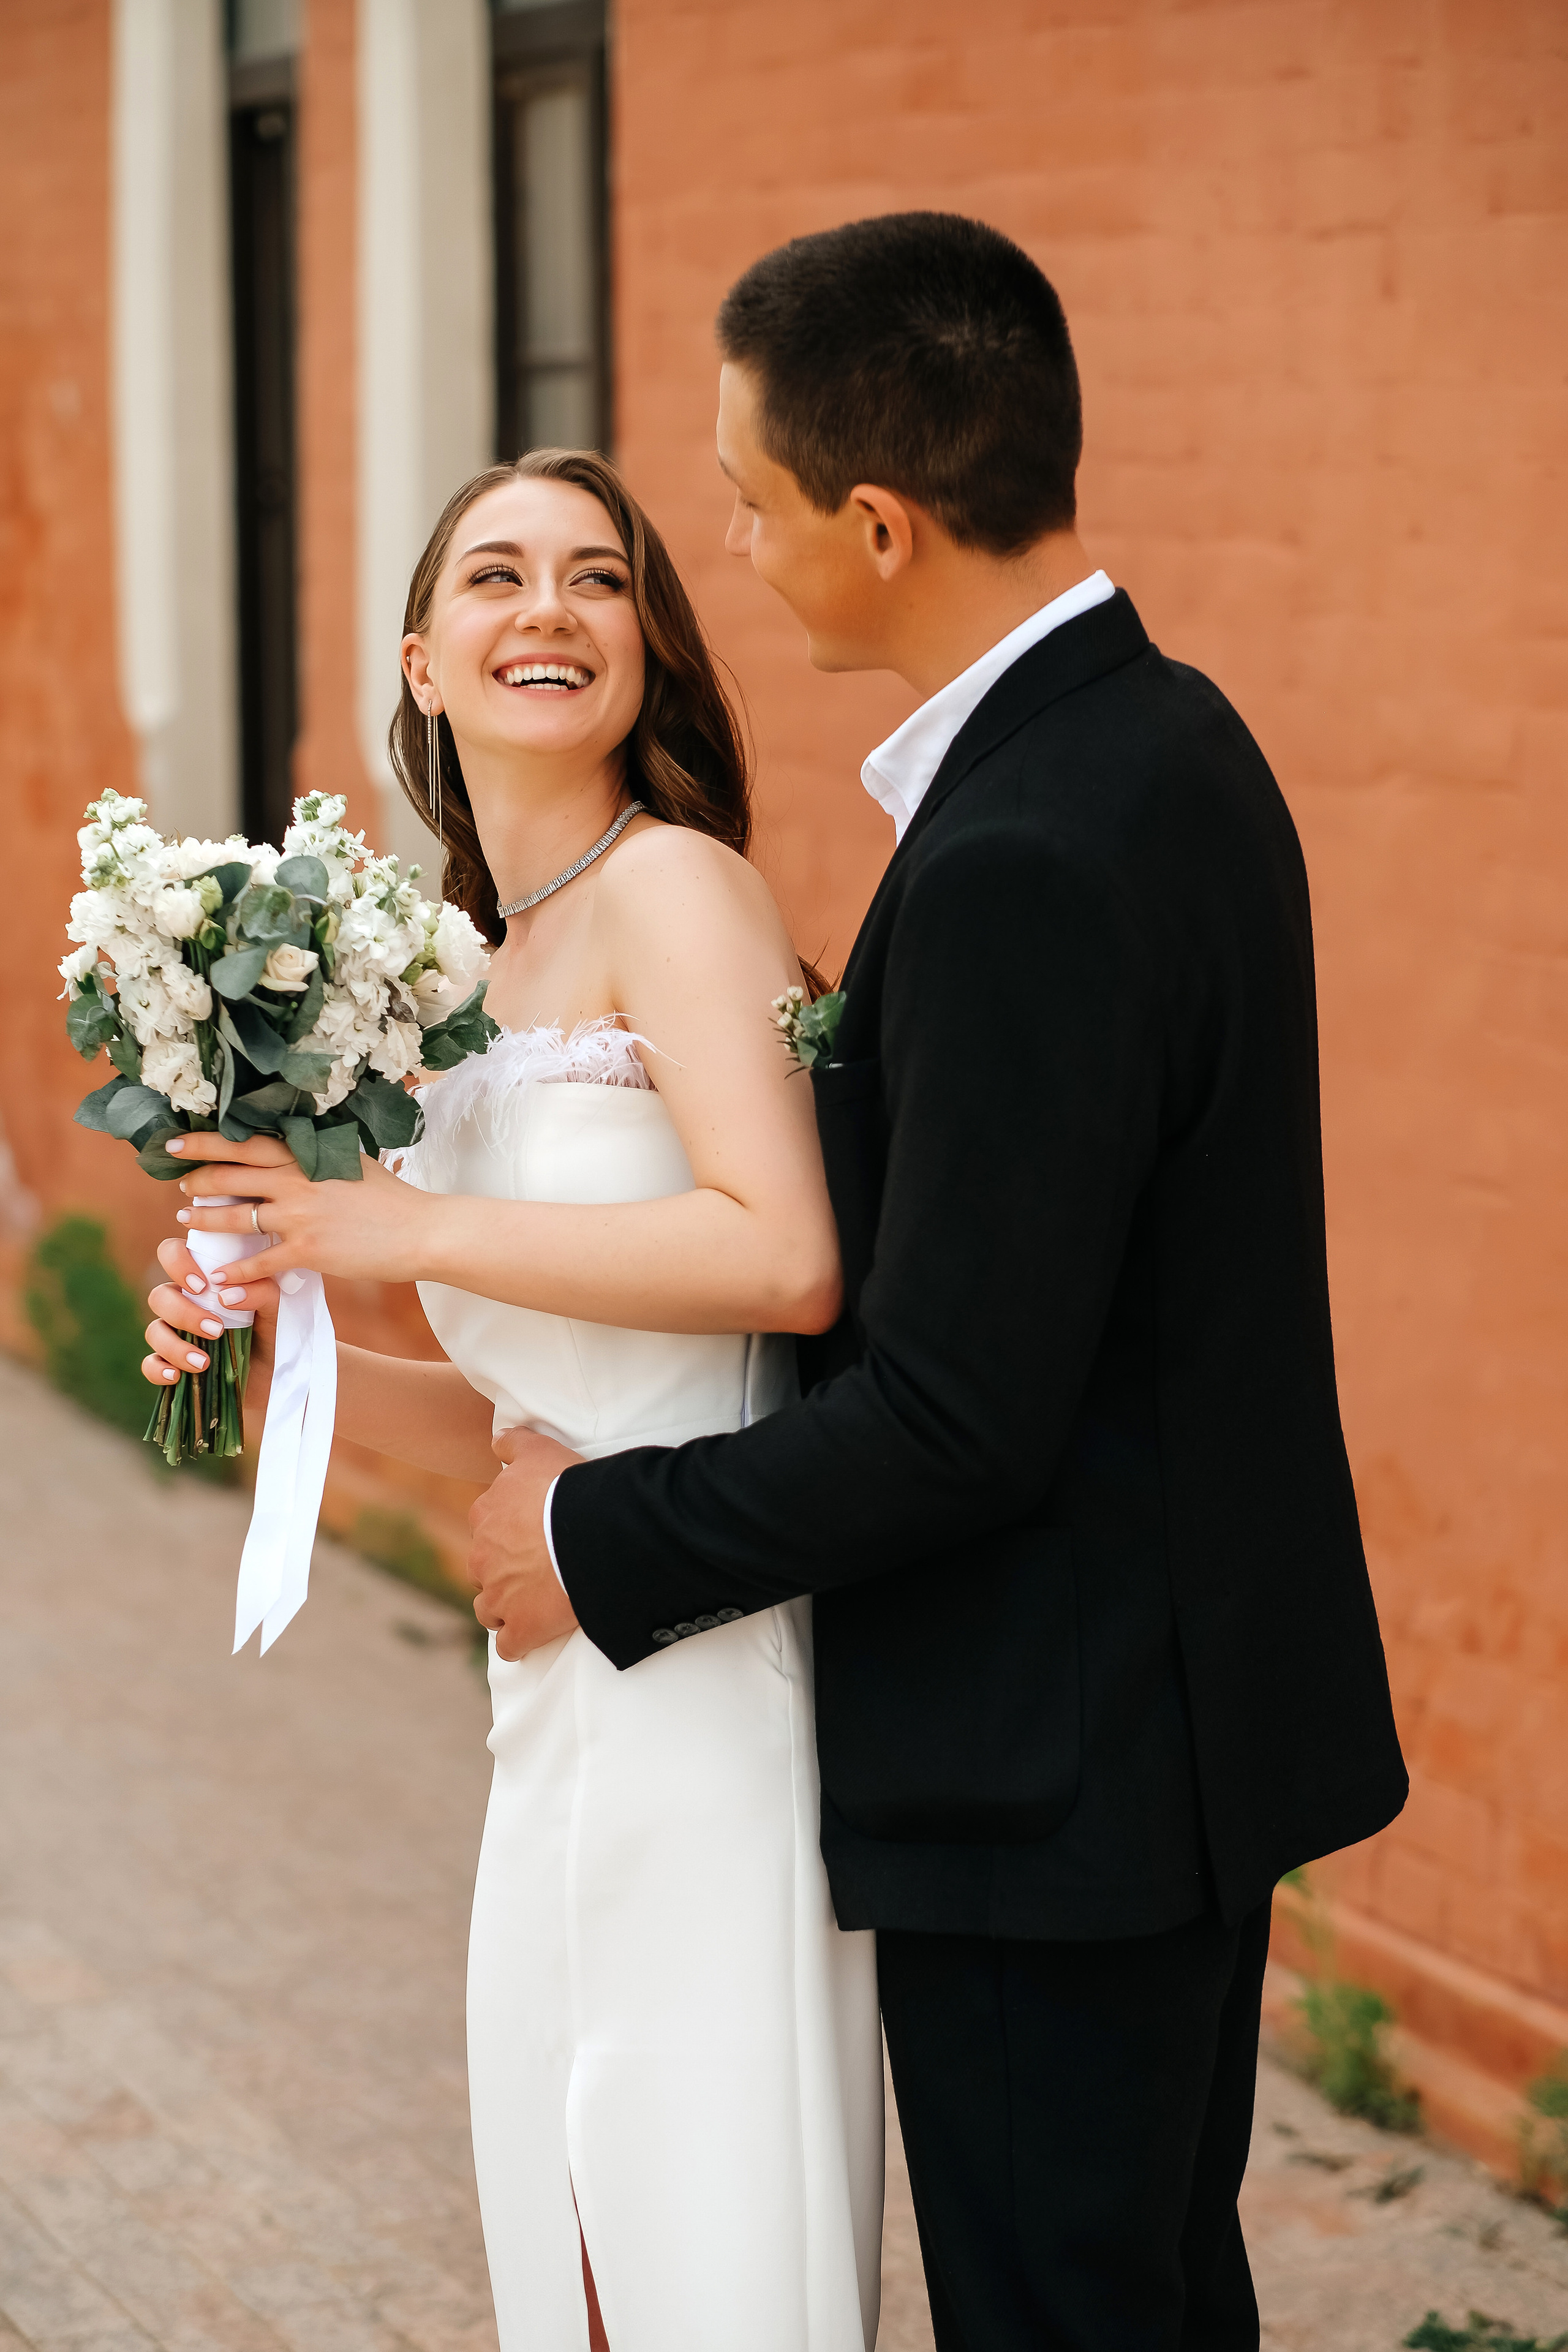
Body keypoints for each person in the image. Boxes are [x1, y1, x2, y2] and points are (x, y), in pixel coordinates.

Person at [461, 214, 1411, 2348]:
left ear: (878, 523)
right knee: (1148, 2297)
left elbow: (960, 1414)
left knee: (1064, 2312)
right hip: (1163, 1729)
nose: (730, 538)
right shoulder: (1169, 742)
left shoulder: (1020, 861)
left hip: (1050, 1772)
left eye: (748, 499)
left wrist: (589, 1531)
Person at [140, 448, 885, 2352]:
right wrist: (265, 1309)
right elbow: (495, 1378)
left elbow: (781, 1257)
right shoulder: (456, 968)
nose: (545, 610)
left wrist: (395, 1216)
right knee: (567, 2257)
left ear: (650, 645)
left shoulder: (680, 893)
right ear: (421, 660)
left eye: (596, 579)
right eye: (495, 578)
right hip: (548, 1679)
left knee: (700, 2242)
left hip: (706, 1670)